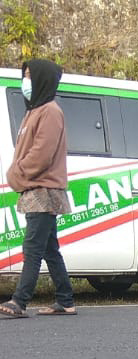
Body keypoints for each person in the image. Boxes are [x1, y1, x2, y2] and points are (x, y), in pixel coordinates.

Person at [0, 59, 76, 318]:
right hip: (36, 189)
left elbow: (41, 155)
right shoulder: (35, 110)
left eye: (30, 76)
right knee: (48, 248)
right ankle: (66, 300)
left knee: (33, 247)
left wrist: (15, 175)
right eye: (25, 75)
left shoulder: (50, 111)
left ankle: (19, 301)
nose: (26, 81)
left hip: (43, 191)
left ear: (43, 79)